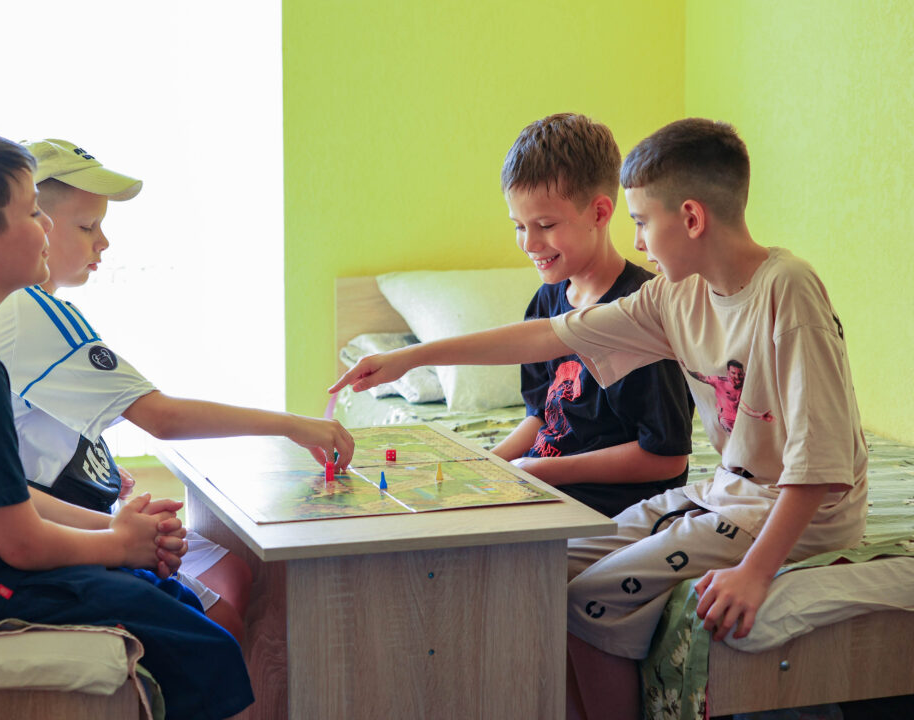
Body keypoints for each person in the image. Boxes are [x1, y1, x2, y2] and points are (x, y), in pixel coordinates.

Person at [330, 118, 868, 719]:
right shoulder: (676, 295)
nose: (637, 242)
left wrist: (756, 573)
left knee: (588, 598)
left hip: (799, 515)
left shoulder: (787, 291)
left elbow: (820, 462)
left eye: (641, 222)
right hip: (726, 495)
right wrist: (412, 357)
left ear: (691, 218)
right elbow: (547, 336)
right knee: (539, 571)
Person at [0, 130, 254, 719]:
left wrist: (121, 534)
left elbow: (6, 499)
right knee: (203, 644)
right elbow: (22, 542)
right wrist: (118, 544)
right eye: (34, 212)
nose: (47, 226)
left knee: (163, 593)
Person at [0, 138, 356, 642]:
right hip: (49, 532)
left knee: (234, 571)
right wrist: (292, 425)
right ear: (36, 225)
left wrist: (102, 476)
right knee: (223, 609)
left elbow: (37, 422)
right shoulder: (29, 308)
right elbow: (162, 418)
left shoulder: (21, 306)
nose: (103, 243)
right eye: (87, 227)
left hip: (66, 507)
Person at [490, 113, 694, 518]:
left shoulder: (643, 310)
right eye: (519, 226)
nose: (529, 243)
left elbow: (668, 459)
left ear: (600, 213)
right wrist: (485, 463)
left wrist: (543, 472)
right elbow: (541, 417)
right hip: (545, 481)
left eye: (545, 224)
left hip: (614, 502)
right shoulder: (546, 300)